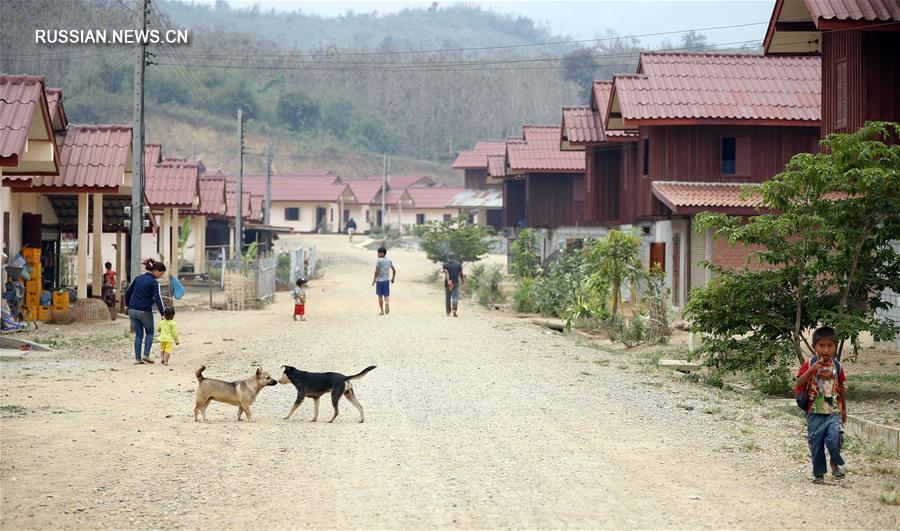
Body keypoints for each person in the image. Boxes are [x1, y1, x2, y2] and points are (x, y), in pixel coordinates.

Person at [795, 326, 847, 484]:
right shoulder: (809, 363)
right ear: (814, 347)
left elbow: (841, 388)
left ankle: (834, 462)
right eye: (821, 345)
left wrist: (844, 409)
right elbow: (798, 382)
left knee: (834, 438)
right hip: (814, 414)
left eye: (829, 345)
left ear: (835, 346)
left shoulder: (837, 366)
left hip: (833, 412)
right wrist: (811, 370)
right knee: (816, 445)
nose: (825, 349)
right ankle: (819, 474)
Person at [125, 258, 166, 364]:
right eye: (161, 274)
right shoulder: (154, 283)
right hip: (144, 311)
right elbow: (158, 298)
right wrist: (163, 313)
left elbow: (128, 292)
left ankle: (138, 359)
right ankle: (146, 355)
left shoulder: (138, 278)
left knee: (138, 335)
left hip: (132, 310)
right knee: (150, 333)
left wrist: (126, 305)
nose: (160, 276)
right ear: (156, 271)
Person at [372, 246, 396, 315]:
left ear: (382, 253)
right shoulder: (389, 260)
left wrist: (374, 280)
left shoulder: (379, 261)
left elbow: (376, 271)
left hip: (379, 281)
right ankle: (387, 303)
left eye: (378, 253)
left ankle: (382, 311)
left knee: (380, 296)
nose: (377, 254)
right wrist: (393, 278)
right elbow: (394, 270)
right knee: (386, 295)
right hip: (386, 280)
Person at [442, 252, 464, 317]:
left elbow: (446, 273)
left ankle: (448, 312)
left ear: (448, 257)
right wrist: (463, 280)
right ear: (454, 257)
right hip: (455, 283)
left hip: (447, 283)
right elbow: (461, 274)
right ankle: (454, 309)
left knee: (448, 298)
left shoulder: (445, 265)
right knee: (455, 297)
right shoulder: (458, 264)